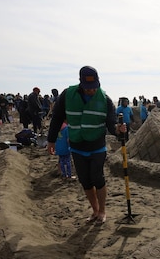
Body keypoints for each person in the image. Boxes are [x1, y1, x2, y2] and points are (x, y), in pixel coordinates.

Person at [47, 65, 125, 225]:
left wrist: (119, 130)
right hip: (76, 145)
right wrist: (51, 139)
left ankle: (102, 211)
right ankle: (95, 211)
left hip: (97, 146)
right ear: (80, 83)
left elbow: (111, 125)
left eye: (94, 87)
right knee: (85, 180)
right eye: (88, 88)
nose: (91, 91)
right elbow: (57, 117)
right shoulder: (67, 95)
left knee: (97, 177)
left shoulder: (106, 100)